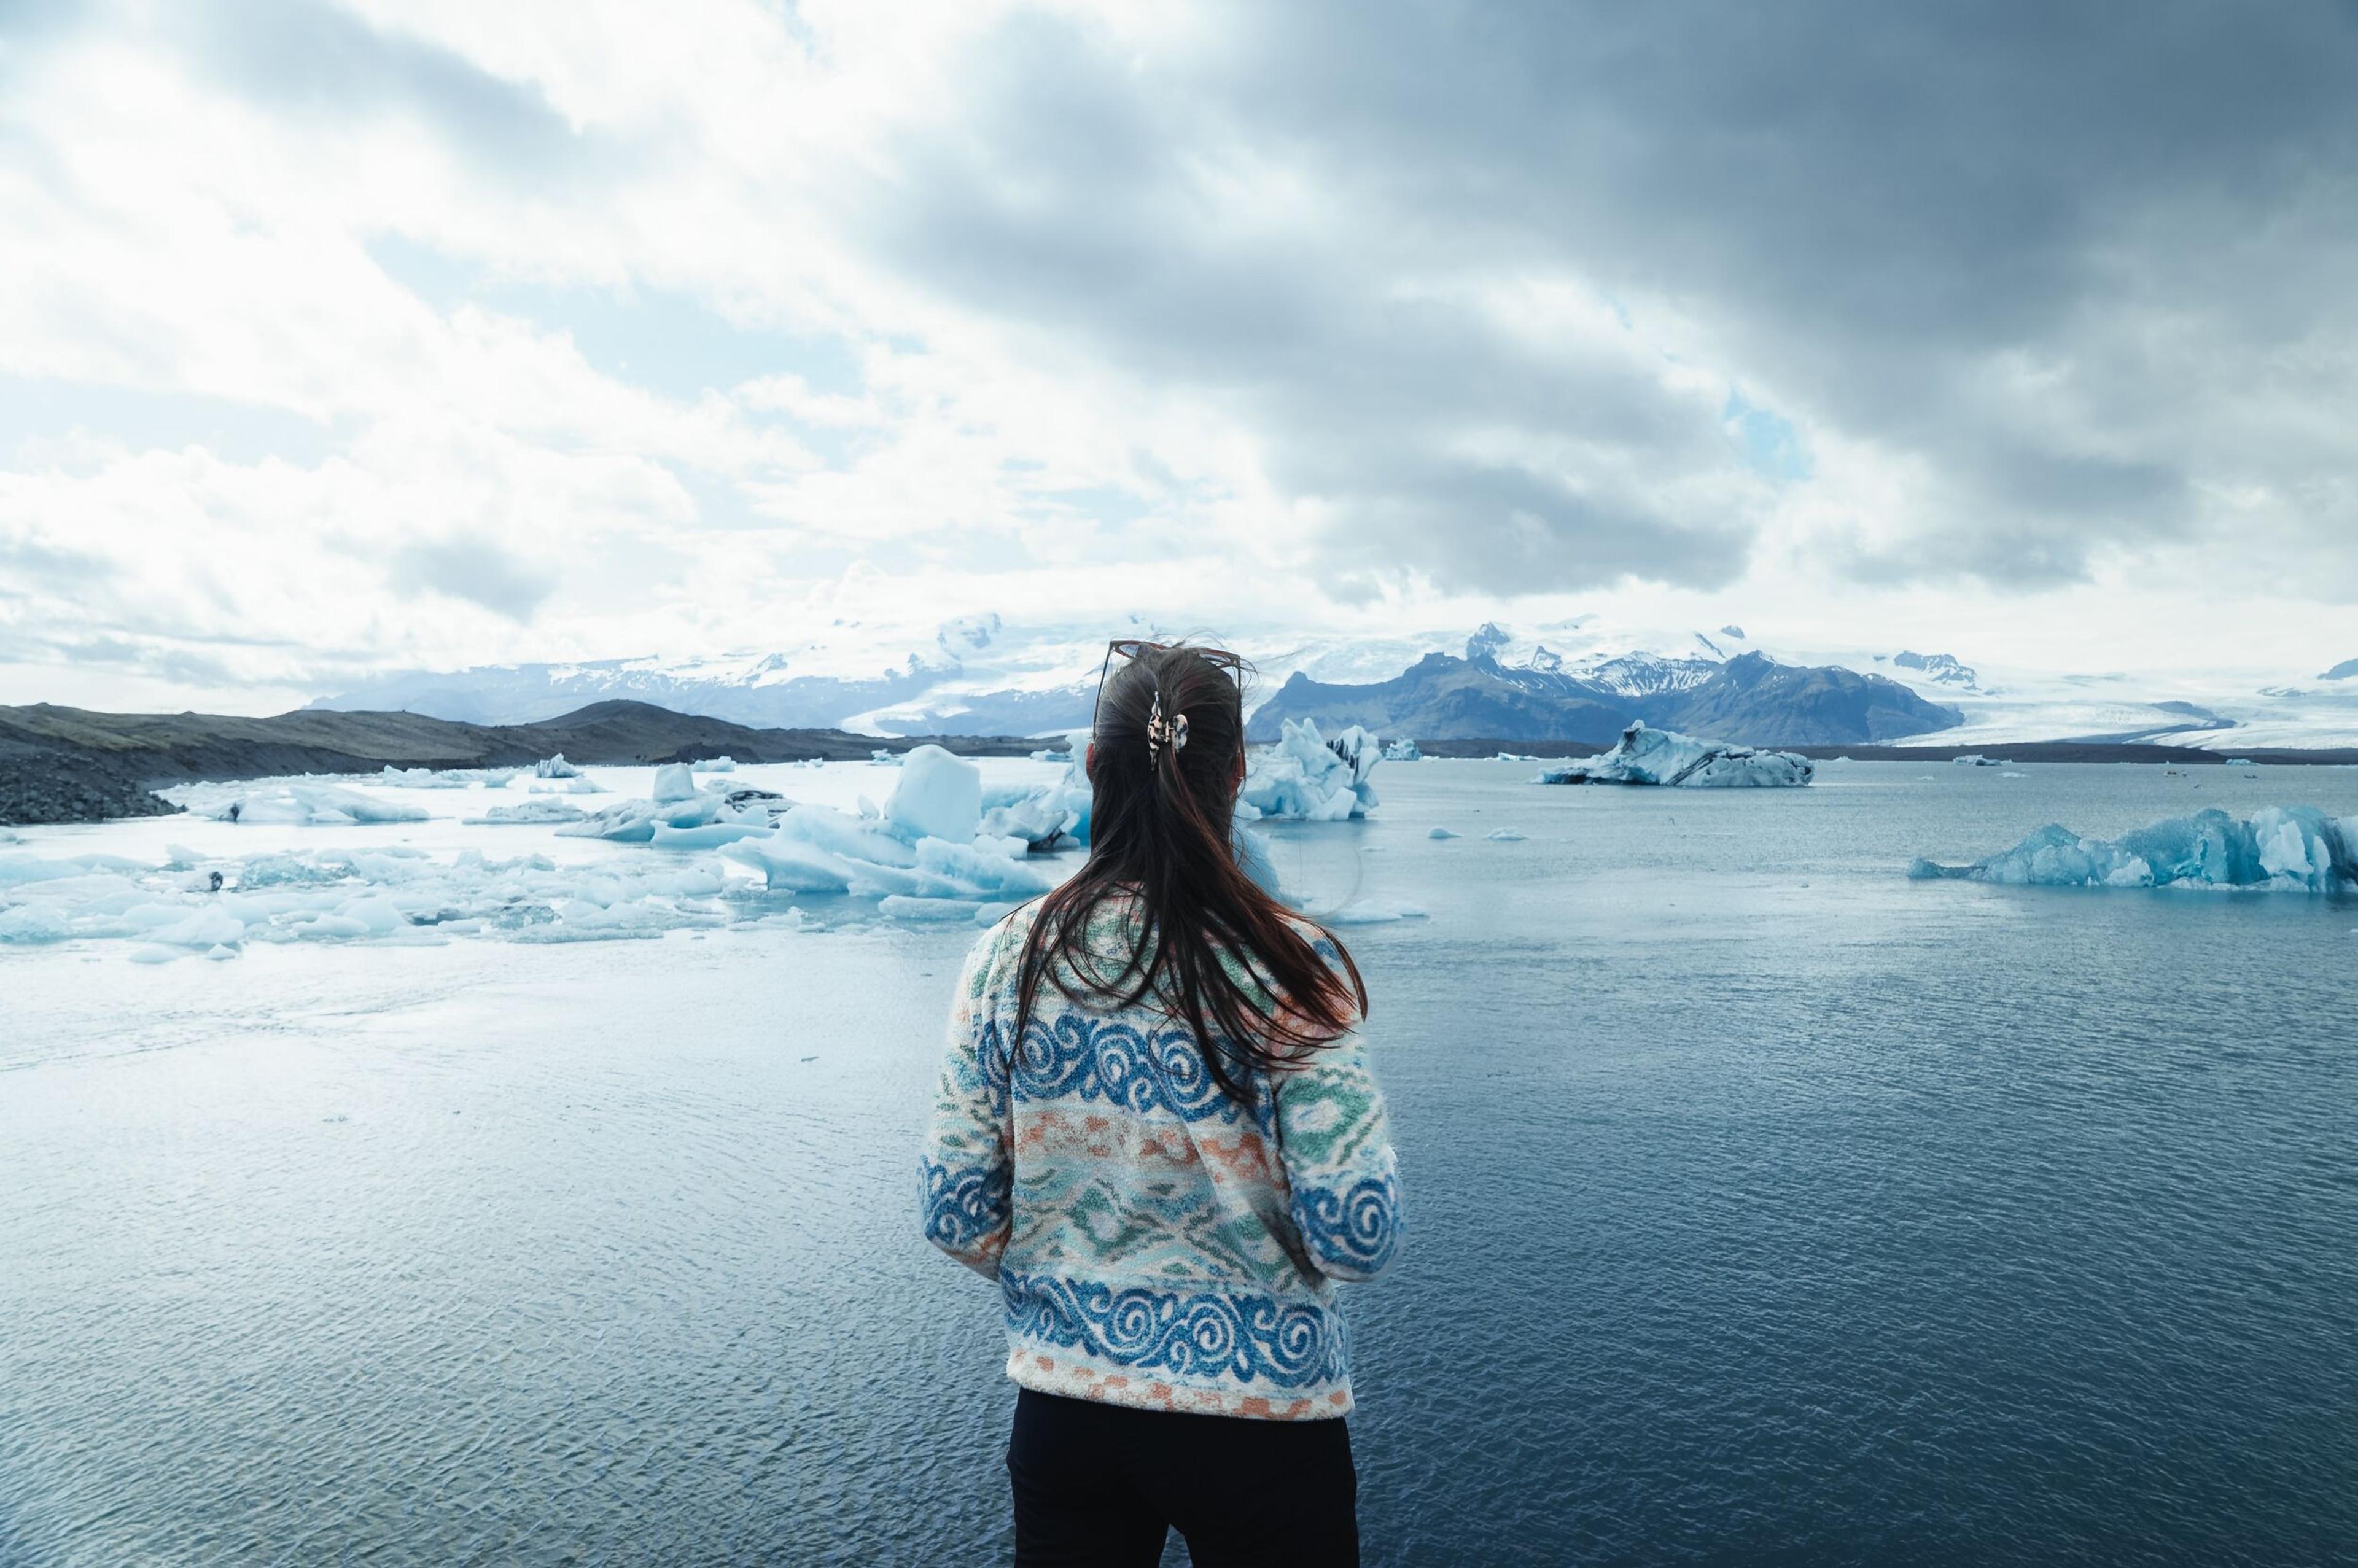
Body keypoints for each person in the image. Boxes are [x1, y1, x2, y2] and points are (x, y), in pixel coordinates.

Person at [921, 639, 1403, 1567]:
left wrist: (1068, 1275)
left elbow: (954, 1211)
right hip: (1264, 1429)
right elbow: (1357, 1231)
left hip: (1071, 1416)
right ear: (1238, 773)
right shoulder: (1292, 967)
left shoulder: (1004, 960)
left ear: (1094, 767)